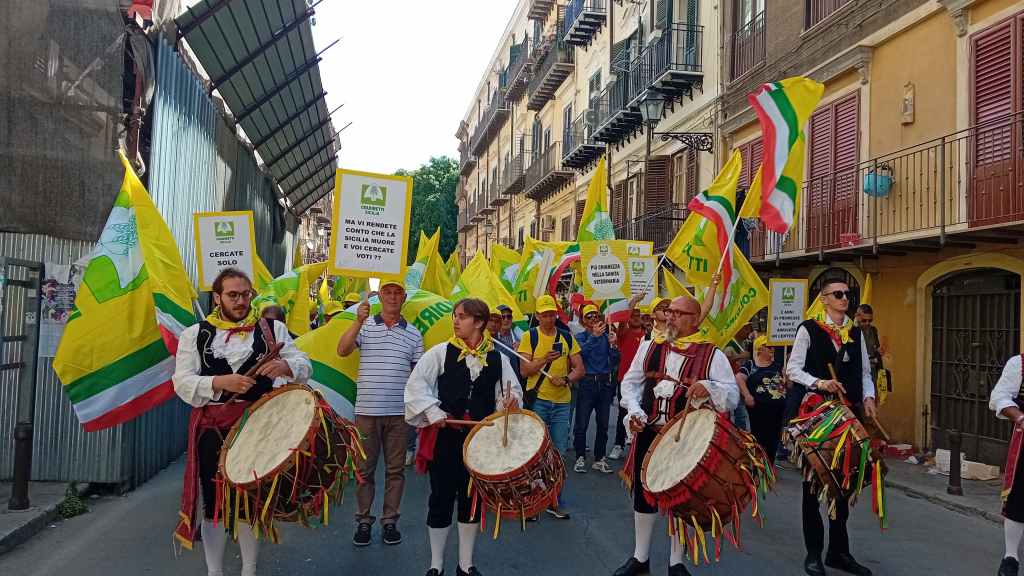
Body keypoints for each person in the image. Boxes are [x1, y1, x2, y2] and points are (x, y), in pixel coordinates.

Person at [172, 268, 311, 576]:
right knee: (214, 502)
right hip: (213, 430)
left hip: (259, 427)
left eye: (246, 294)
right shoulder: (194, 335)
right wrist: (221, 382)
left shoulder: (273, 329)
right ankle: (215, 571)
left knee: (249, 501)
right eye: (233, 295)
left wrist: (286, 365)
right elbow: (181, 383)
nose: (240, 300)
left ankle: (249, 569)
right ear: (218, 297)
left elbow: (305, 364)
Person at [614, 295, 739, 576]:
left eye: (678, 314)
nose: (670, 317)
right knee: (643, 496)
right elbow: (630, 385)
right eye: (669, 312)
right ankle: (640, 558)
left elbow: (731, 396)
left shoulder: (712, 354)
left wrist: (708, 387)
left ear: (695, 319)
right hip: (649, 432)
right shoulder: (649, 347)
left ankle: (676, 562)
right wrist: (634, 412)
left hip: (686, 439)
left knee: (681, 499)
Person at [406, 298, 523, 576]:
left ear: (479, 322)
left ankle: (466, 565)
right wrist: (433, 411)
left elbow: (511, 391)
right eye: (455, 316)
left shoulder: (498, 357)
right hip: (446, 438)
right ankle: (436, 565)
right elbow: (415, 388)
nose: (455, 321)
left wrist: (508, 402)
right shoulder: (439, 352)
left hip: (480, 441)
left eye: (462, 316)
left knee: (472, 499)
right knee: (441, 498)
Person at [786, 278, 877, 576]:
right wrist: (820, 382)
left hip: (848, 414)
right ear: (823, 299)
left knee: (844, 484)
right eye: (837, 294)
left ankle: (839, 552)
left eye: (847, 294)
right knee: (814, 485)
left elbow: (864, 371)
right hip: (816, 415)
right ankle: (813, 552)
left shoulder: (854, 331)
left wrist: (868, 397)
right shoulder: (808, 329)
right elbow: (793, 369)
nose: (844, 299)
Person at [338, 280, 424, 547]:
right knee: (364, 471)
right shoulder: (366, 325)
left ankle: (390, 521)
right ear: (379, 296)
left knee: (395, 471)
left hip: (399, 414)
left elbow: (418, 375)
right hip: (367, 412)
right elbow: (342, 350)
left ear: (404, 297)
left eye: (397, 292)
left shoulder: (414, 334)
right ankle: (364, 521)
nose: (392, 296)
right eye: (387, 292)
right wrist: (357, 321)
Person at [518, 294, 584, 519]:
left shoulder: (566, 337)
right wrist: (545, 359)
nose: (549, 318)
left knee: (557, 452)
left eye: (552, 314)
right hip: (539, 401)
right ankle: (532, 501)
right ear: (537, 316)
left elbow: (579, 369)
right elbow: (525, 370)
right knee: (534, 451)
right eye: (544, 314)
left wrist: (566, 379)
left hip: (562, 402)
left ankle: (554, 499)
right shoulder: (530, 337)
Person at [573, 304, 619, 474]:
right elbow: (580, 354)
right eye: (589, 316)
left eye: (595, 315)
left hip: (604, 384)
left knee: (603, 424)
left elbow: (614, 361)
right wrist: (594, 336)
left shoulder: (607, 337)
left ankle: (599, 458)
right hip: (587, 383)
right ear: (583, 321)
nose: (593, 318)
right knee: (582, 423)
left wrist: (613, 346)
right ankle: (580, 456)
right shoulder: (580, 337)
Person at [989, 354, 1024, 576]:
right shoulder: (1019, 364)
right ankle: (1010, 556)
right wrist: (1020, 417)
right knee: (1019, 498)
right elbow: (999, 397)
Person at [738, 335, 787, 461]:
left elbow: (789, 385)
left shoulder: (779, 366)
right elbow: (739, 378)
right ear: (760, 349)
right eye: (768, 346)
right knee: (757, 438)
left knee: (774, 439)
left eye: (773, 347)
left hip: (777, 410)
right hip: (757, 409)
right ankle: (756, 466)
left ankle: (769, 466)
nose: (772, 349)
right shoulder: (751, 365)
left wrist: (788, 377)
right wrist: (747, 395)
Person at [609, 299, 645, 460]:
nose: (636, 317)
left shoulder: (649, 335)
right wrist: (633, 303)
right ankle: (618, 444)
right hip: (625, 381)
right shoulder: (623, 333)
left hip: (645, 382)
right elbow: (623, 321)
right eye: (633, 315)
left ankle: (638, 447)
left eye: (639, 314)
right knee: (623, 413)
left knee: (642, 414)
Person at [855, 304, 882, 381]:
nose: (867, 323)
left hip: (873, 372)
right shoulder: (851, 331)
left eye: (870, 320)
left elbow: (876, 348)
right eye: (864, 320)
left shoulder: (873, 330)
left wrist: (878, 350)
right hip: (859, 373)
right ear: (857, 317)